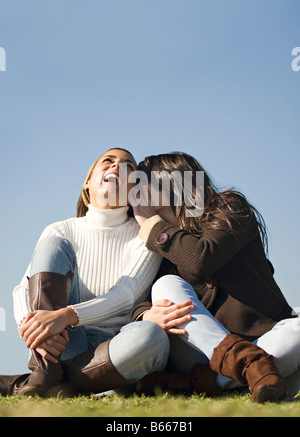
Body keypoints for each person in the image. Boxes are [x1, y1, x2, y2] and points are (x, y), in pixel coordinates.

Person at [127, 152, 300, 402]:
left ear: (174, 179)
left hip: (261, 336)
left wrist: (154, 228)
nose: (139, 191)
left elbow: (200, 259)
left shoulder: (229, 208)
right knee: (166, 284)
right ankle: (250, 368)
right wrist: (145, 314)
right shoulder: (150, 242)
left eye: (146, 180)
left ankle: (199, 382)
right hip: (197, 348)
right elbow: (139, 296)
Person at [0, 148, 166, 397]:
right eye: (108, 161)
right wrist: (34, 328)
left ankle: (39, 381)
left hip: (115, 348)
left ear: (136, 188)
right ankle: (49, 371)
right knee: (53, 245)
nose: (116, 167)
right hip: (64, 342)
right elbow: (23, 290)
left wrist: (66, 316)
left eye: (128, 167)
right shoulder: (61, 230)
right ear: (88, 183)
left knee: (152, 336)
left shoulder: (145, 233)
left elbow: (126, 295)